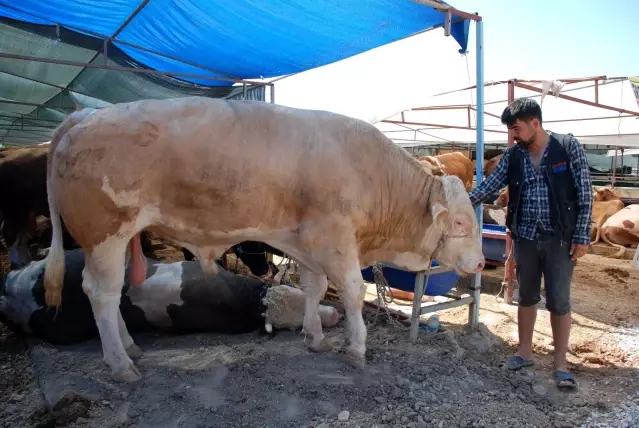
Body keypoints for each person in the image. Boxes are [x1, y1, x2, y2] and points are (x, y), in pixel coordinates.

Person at [469, 97, 592, 390]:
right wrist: (455, 198)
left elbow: (585, 192)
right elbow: (489, 186)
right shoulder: (515, 156)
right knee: (526, 296)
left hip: (560, 238)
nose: (512, 135)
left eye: (516, 128)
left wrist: (582, 235)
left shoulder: (566, 146)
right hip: (524, 237)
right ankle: (524, 352)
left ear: (535, 123)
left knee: (559, 300)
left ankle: (561, 364)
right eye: (511, 130)